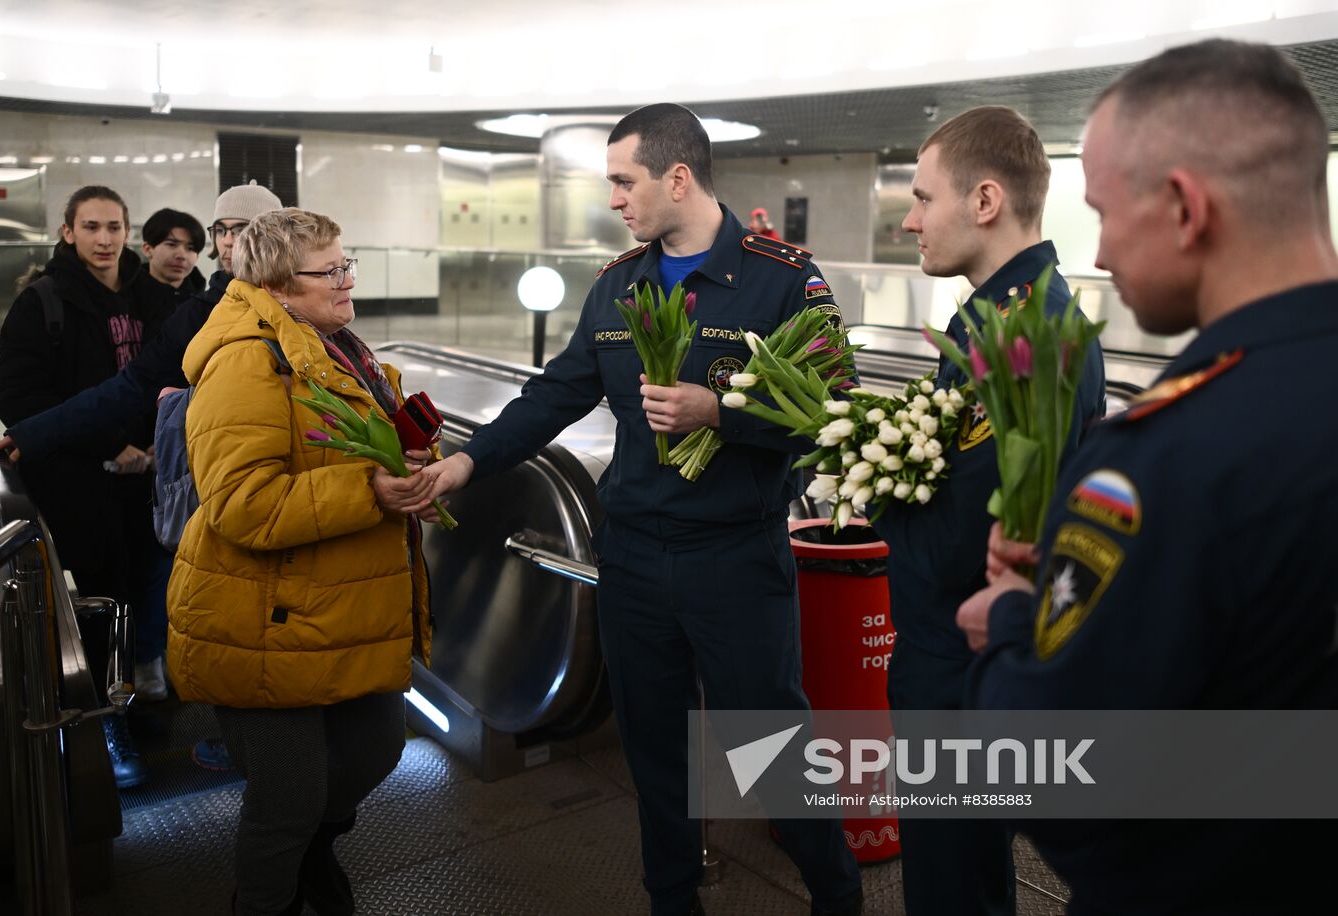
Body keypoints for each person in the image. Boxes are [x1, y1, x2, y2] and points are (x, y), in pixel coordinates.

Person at [397, 103, 862, 916]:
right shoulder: (619, 285)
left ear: (677, 177)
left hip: (737, 559)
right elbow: (555, 396)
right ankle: (672, 901)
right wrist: (465, 464)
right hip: (636, 559)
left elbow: (838, 411)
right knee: (656, 756)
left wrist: (719, 413)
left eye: (624, 180)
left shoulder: (783, 279)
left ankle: (838, 895)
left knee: (772, 750)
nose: (614, 199)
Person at [956, 39, 1338, 914]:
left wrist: (1013, 621)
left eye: (1103, 209)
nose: (1097, 250)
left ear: (1182, 207)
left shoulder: (1168, 454)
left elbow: (1057, 774)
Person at [168, 207, 433, 916]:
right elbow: (243, 503)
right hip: (264, 617)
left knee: (375, 750)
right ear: (280, 286)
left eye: (348, 264)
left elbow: (369, 444)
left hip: (342, 606)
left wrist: (411, 473)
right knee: (287, 798)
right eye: (332, 270)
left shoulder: (340, 345)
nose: (349, 280)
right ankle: (267, 899)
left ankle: (314, 850)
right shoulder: (244, 361)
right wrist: (370, 490)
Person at [0, 181, 286, 772]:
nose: (226, 244)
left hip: (290, 485)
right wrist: (36, 433)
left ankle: (281, 737)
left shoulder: (307, 297)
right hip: (224, 488)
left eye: (240, 230)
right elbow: (132, 384)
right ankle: (247, 736)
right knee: (230, 609)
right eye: (221, 230)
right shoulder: (202, 312)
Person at [881, 106, 1105, 916]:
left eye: (921, 197)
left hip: (957, 664)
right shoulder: (1010, 314)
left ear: (983, 201)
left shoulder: (1018, 335)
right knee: (975, 877)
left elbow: (955, 550)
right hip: (967, 658)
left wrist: (874, 490)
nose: (909, 219)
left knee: (950, 884)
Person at [0, 184, 177, 788]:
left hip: (148, 477)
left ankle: (142, 689)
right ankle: (101, 722)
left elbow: (175, 376)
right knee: (96, 599)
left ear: (129, 233)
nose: (104, 239)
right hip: (80, 483)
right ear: (68, 232)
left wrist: (153, 444)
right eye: (91, 227)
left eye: (114, 228)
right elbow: (24, 394)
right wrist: (108, 446)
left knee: (149, 582)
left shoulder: (154, 299)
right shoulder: (43, 302)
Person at [140, 206, 207, 300]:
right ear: (147, 249)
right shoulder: (125, 300)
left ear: (197, 257)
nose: (181, 256)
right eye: (171, 244)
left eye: (190, 248)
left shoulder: (206, 305)